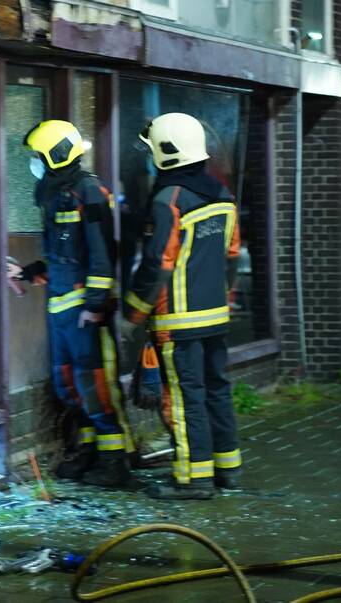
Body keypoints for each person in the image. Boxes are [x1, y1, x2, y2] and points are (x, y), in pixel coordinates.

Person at [118, 112, 243, 500]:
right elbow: (233, 253)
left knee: (185, 398)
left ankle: (193, 479)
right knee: (217, 390)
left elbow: (158, 264)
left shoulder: (168, 200)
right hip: (216, 317)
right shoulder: (222, 195)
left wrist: (133, 313)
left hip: (178, 321)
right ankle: (228, 470)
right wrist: (226, 297)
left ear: (165, 152)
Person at [9, 120, 134, 488]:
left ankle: (115, 461)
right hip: (60, 308)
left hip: (82, 311)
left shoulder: (89, 192)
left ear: (56, 154)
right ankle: (89, 450)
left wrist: (94, 305)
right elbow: (62, 256)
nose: (34, 162)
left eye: (38, 155)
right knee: (69, 386)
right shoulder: (55, 194)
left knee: (94, 385)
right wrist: (27, 273)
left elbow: (101, 254)